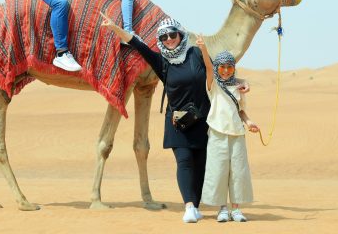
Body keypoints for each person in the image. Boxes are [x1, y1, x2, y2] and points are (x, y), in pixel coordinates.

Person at [101, 14, 248, 223]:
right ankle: (188, 206)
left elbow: (219, 74)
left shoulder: (196, 54)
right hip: (178, 122)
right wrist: (115, 27)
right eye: (164, 37)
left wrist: (242, 82)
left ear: (180, 35)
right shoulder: (162, 62)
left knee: (201, 164)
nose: (169, 39)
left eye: (172, 35)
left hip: (204, 120)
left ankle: (195, 206)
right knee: (184, 161)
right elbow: (137, 44)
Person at [196, 37, 259, 223]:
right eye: (222, 67)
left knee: (238, 171)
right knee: (219, 170)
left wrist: (249, 123)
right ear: (217, 68)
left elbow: (241, 112)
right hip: (217, 133)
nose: (225, 70)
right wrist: (203, 49)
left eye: (229, 67)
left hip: (237, 134)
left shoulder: (239, 87)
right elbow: (208, 68)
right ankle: (222, 208)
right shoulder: (213, 85)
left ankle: (236, 209)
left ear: (234, 69)